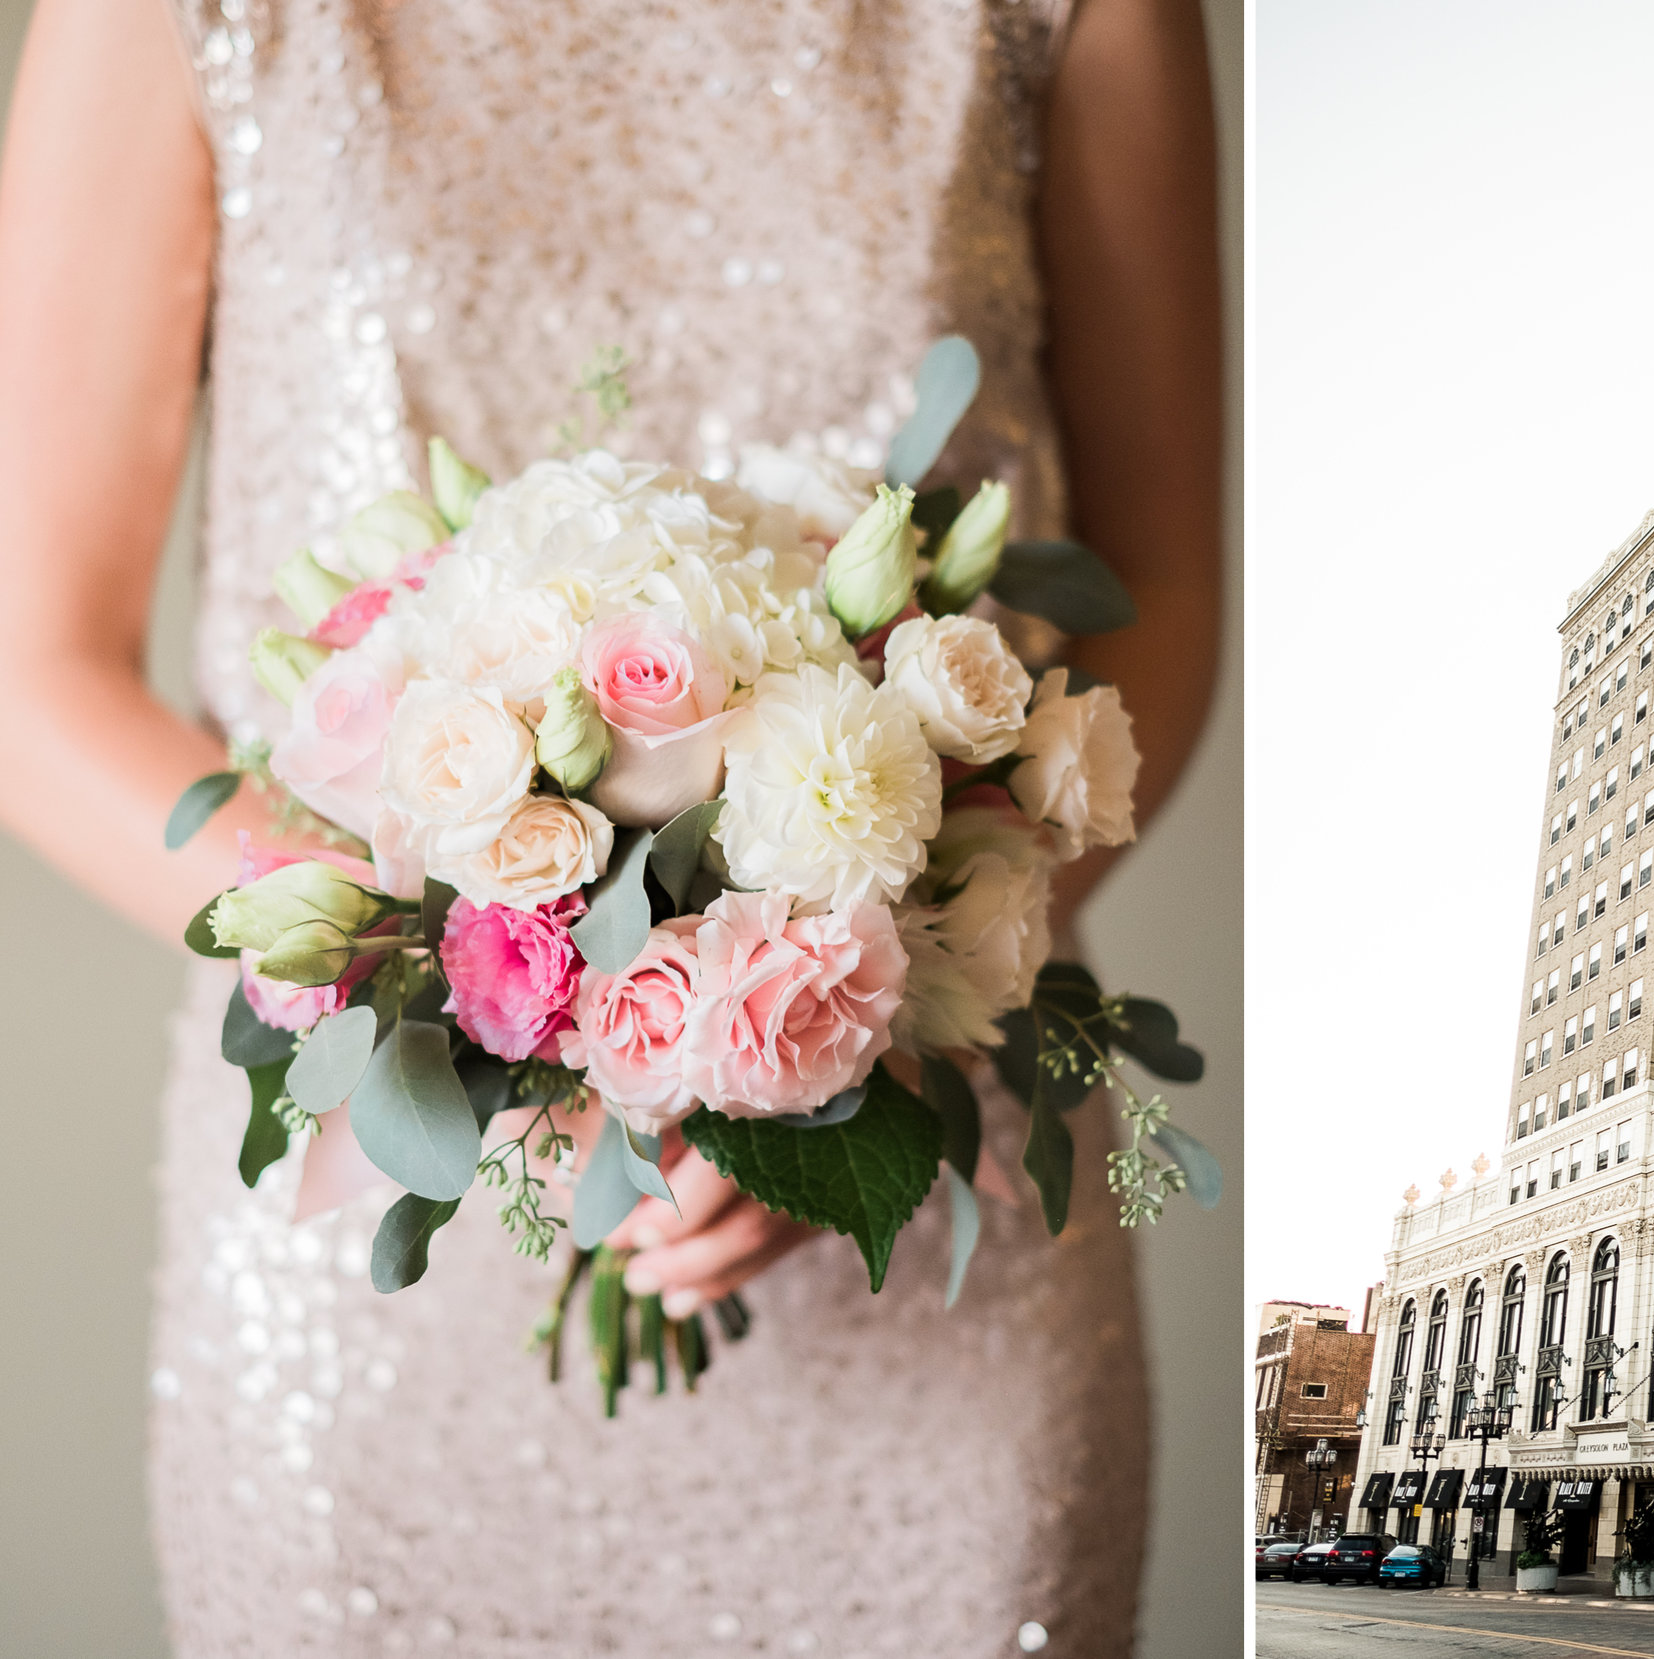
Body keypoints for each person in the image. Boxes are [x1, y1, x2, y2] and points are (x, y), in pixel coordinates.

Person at [0, 0, 1224, 1652]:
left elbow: (1162, 595)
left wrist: (855, 1009)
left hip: (934, 1221)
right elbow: (33, 668)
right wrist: (476, 1011)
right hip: (377, 1307)